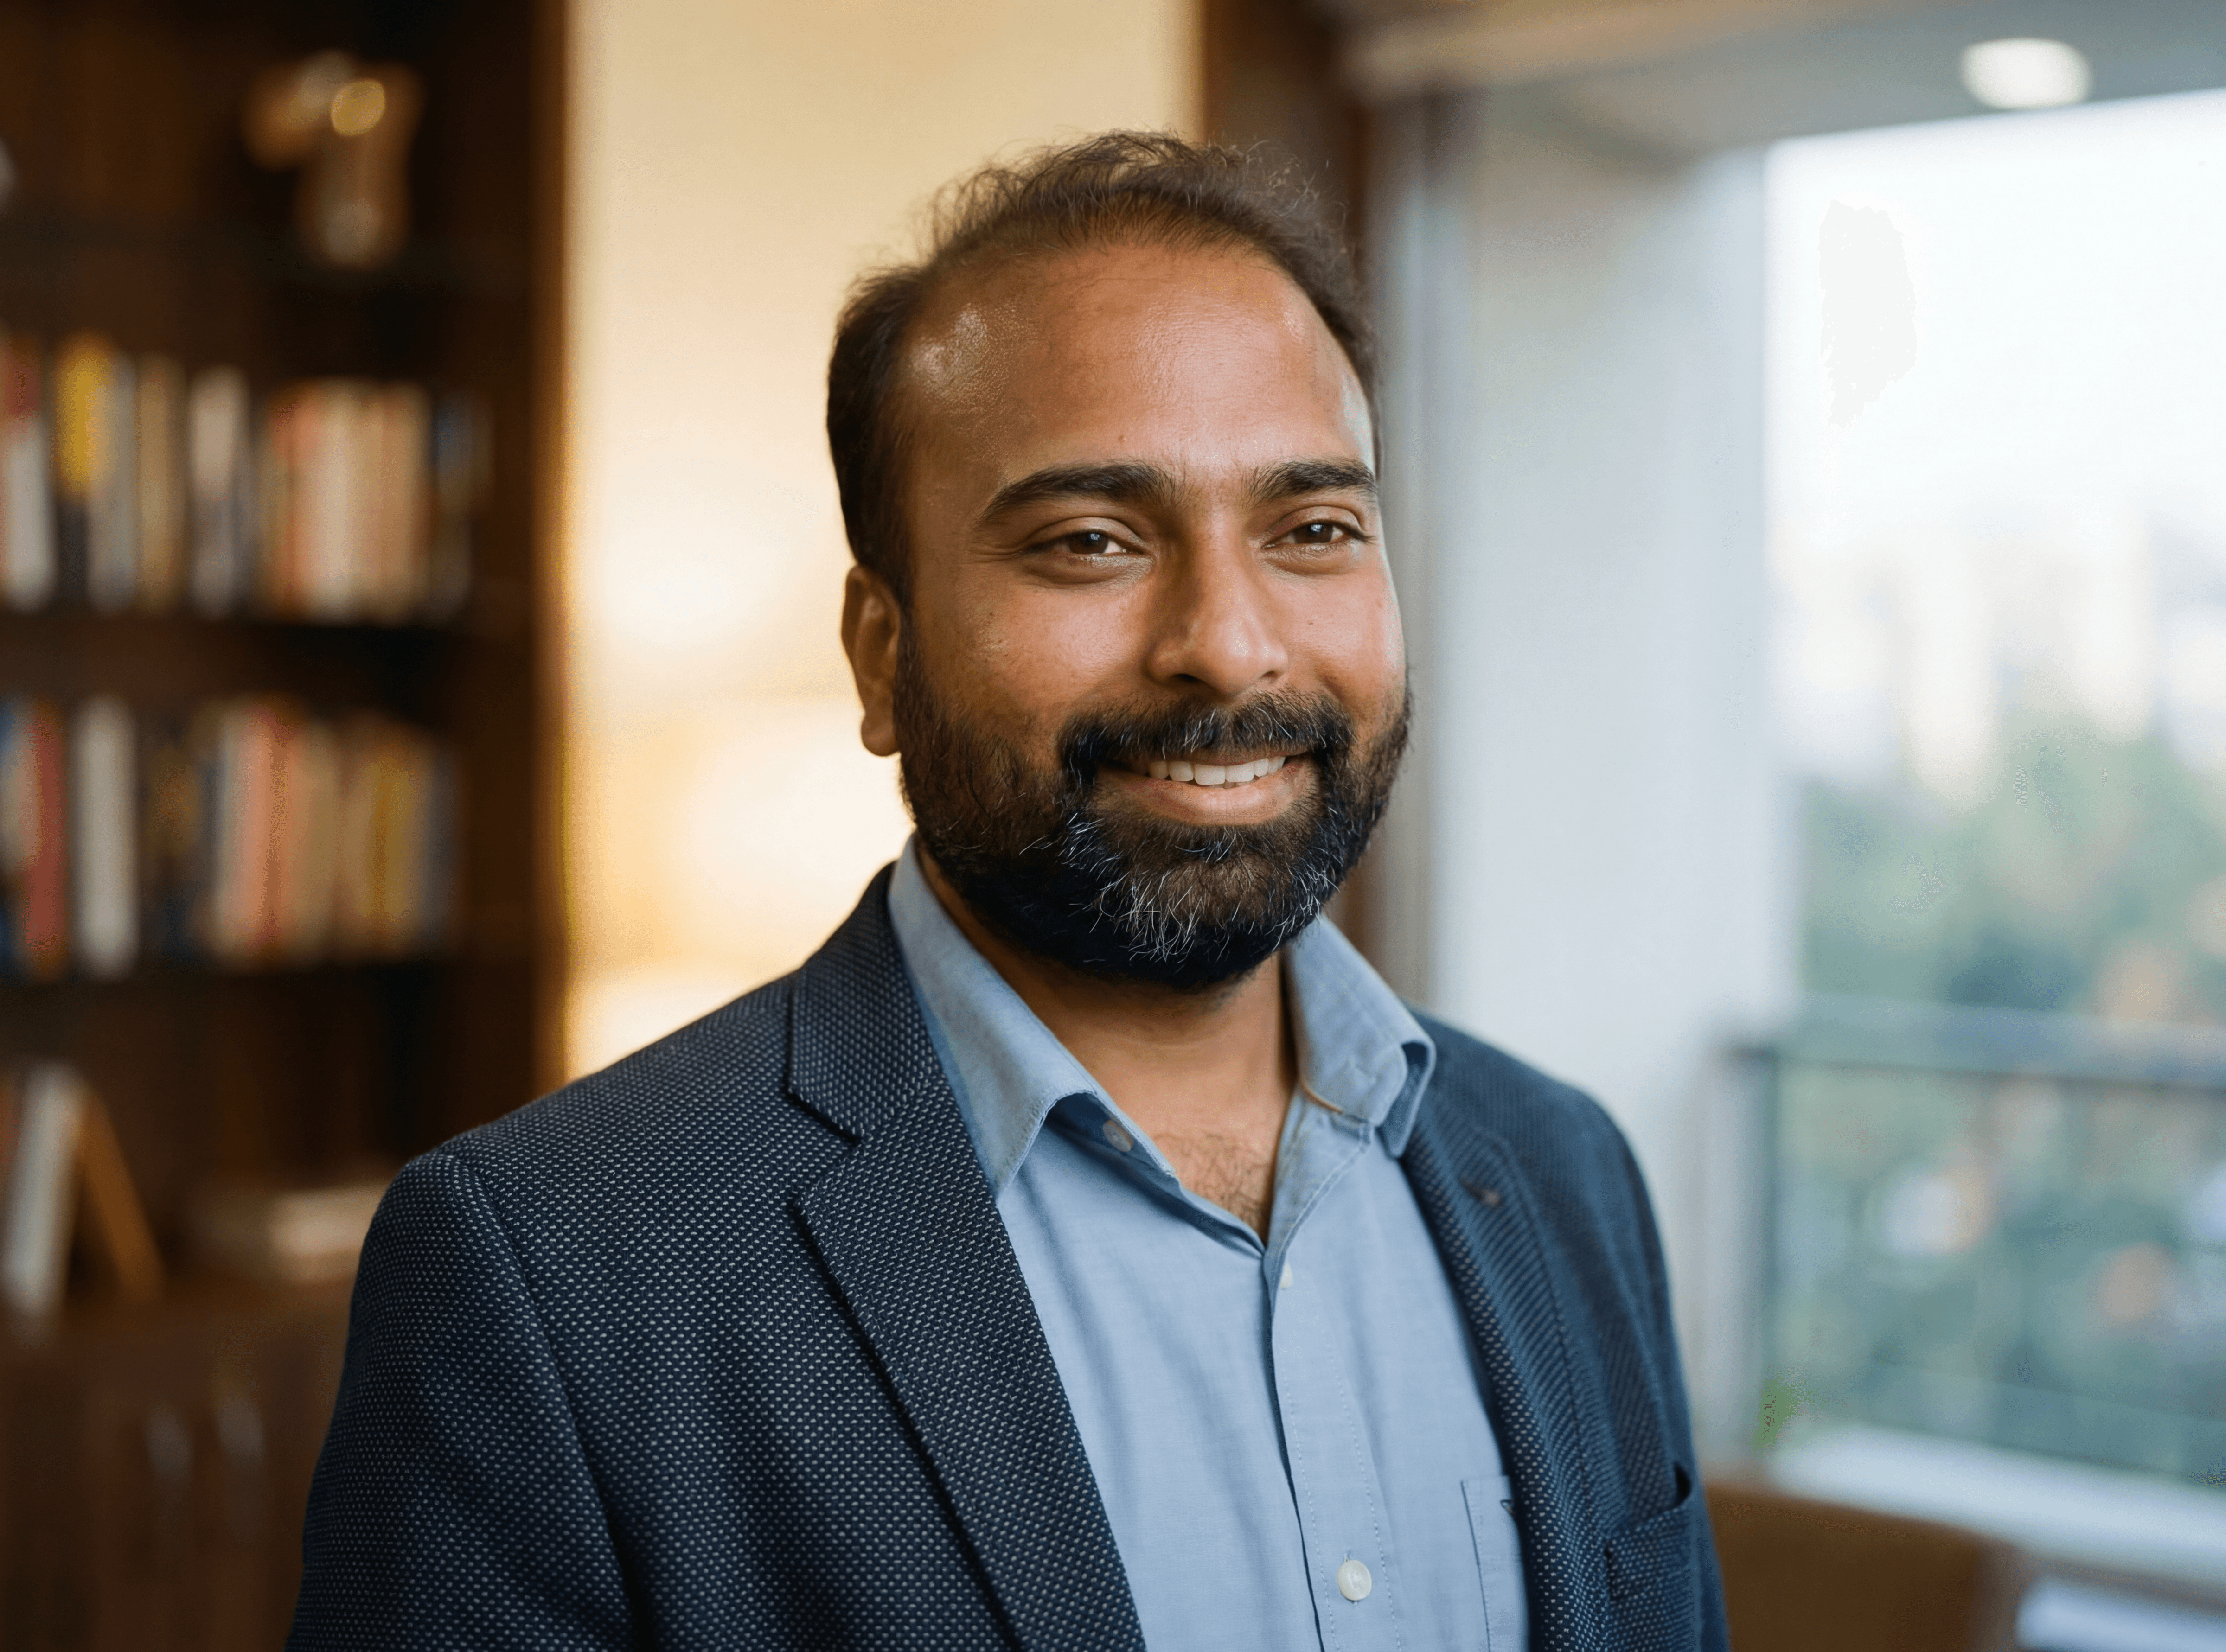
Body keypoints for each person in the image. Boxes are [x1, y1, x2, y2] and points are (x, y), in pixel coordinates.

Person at [289, 132, 1727, 1652]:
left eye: (1313, 529)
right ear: (880, 654)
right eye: (1091, 542)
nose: (1230, 645)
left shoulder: (1569, 1173)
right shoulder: (553, 1272)